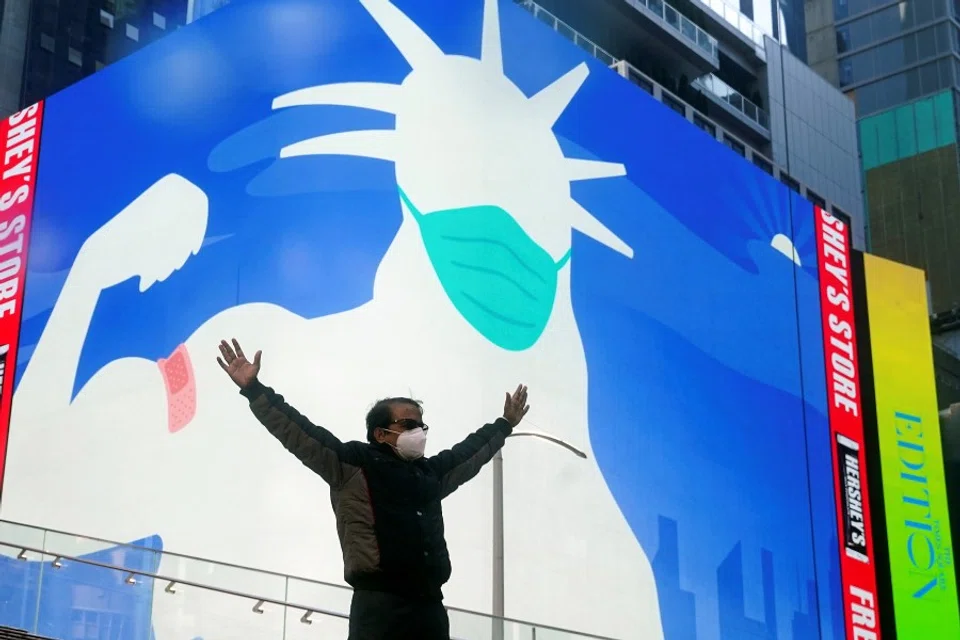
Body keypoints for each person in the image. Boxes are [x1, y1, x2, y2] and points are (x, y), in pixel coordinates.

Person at [216, 338, 530, 640]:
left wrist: (505, 424)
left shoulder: (430, 474)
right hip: (379, 609)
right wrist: (254, 389)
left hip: (430, 610)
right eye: (408, 425)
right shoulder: (352, 463)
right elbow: (297, 431)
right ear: (380, 433)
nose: (418, 432)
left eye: (421, 425)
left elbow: (470, 452)